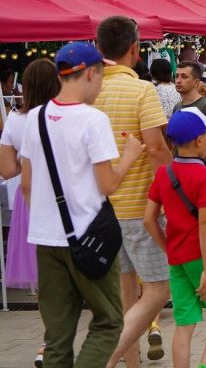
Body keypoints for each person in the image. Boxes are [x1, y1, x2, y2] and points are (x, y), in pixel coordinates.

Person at [20, 42, 145, 368]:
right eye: (101, 76)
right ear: (90, 73)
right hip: (89, 238)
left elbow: (27, 183)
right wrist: (130, 155)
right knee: (109, 321)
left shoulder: (36, 117)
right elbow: (108, 185)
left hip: (46, 240)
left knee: (57, 336)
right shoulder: (93, 120)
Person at [92, 17, 173, 368]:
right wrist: (171, 192)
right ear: (135, 48)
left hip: (99, 208)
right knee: (158, 289)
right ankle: (105, 359)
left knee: (126, 292)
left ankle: (132, 363)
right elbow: (156, 148)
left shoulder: (86, 91)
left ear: (98, 49)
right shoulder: (142, 90)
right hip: (139, 206)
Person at [144, 108, 206, 368]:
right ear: (199, 141)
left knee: (185, 323)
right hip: (204, 255)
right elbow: (205, 223)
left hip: (177, 258)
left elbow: (149, 219)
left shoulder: (164, 173)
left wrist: (167, 248)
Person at [0, 59, 60, 368]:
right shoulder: (63, 117)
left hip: (29, 199)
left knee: (43, 277)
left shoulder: (15, 120)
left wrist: (28, 163)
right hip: (64, 197)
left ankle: (48, 341)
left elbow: (7, 168)